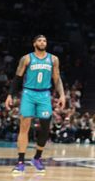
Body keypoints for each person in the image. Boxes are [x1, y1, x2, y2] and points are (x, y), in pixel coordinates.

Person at [6, 35, 65, 174]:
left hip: (44, 94)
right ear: (34, 43)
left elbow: (57, 78)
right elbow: (17, 78)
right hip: (28, 93)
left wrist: (62, 94)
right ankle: (20, 161)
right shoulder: (26, 58)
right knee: (24, 126)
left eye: (44, 40)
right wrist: (10, 95)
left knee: (45, 127)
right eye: (39, 40)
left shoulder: (53, 59)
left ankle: (37, 158)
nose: (42, 42)